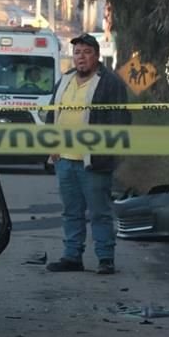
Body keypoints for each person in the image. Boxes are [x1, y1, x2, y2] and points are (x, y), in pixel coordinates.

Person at [45, 33, 131, 275]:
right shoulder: (64, 81)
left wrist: (109, 153)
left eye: (86, 52)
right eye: (77, 53)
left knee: (99, 213)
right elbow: (51, 114)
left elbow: (120, 121)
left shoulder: (110, 83)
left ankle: (105, 258)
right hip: (64, 160)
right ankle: (72, 257)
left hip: (94, 162)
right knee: (71, 212)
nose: (81, 57)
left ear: (97, 56)